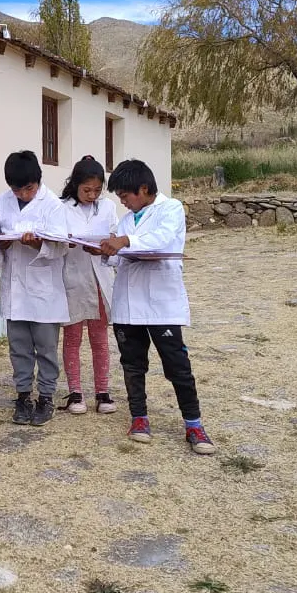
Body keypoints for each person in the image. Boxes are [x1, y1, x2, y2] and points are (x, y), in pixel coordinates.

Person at [99, 159, 216, 455]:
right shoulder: (127, 221)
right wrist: (106, 250)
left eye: (126, 196)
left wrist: (125, 241)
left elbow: (162, 241)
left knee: (177, 366)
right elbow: (118, 255)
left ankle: (193, 423)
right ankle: (139, 417)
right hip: (128, 305)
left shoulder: (171, 209)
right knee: (133, 364)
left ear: (143, 188)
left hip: (161, 304)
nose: (124, 203)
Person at [0, 150, 70, 427]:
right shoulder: (1, 202)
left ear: (38, 181)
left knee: (46, 348)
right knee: (19, 348)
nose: (24, 195)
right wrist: (0, 243)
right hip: (15, 289)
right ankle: (23, 395)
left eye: (29, 188)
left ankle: (46, 397)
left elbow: (61, 246)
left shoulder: (53, 205)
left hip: (44, 292)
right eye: (18, 190)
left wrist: (37, 243)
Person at [59, 155, 117, 416]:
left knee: (100, 339)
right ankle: (75, 392)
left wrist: (108, 246)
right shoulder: (61, 207)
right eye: (86, 190)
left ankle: (103, 392)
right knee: (72, 339)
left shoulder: (108, 207)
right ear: (75, 185)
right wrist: (66, 243)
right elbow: (53, 241)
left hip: (99, 278)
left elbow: (115, 238)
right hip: (73, 277)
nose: (92, 195)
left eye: (96, 190)